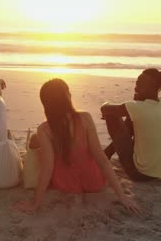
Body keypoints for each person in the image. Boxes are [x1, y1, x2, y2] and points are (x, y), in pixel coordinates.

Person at [15, 78, 139, 212]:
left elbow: (47, 167)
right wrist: (122, 196)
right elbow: (101, 158)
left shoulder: (44, 129)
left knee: (37, 143)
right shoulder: (85, 118)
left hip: (66, 183)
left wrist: (35, 203)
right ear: (67, 96)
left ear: (46, 103)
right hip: (94, 181)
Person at [101, 68, 161, 181]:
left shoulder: (138, 107)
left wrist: (106, 106)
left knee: (112, 115)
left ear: (151, 88)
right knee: (132, 116)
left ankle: (106, 154)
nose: (135, 88)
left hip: (140, 173)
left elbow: (104, 109)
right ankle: (107, 153)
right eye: (136, 84)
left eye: (140, 85)